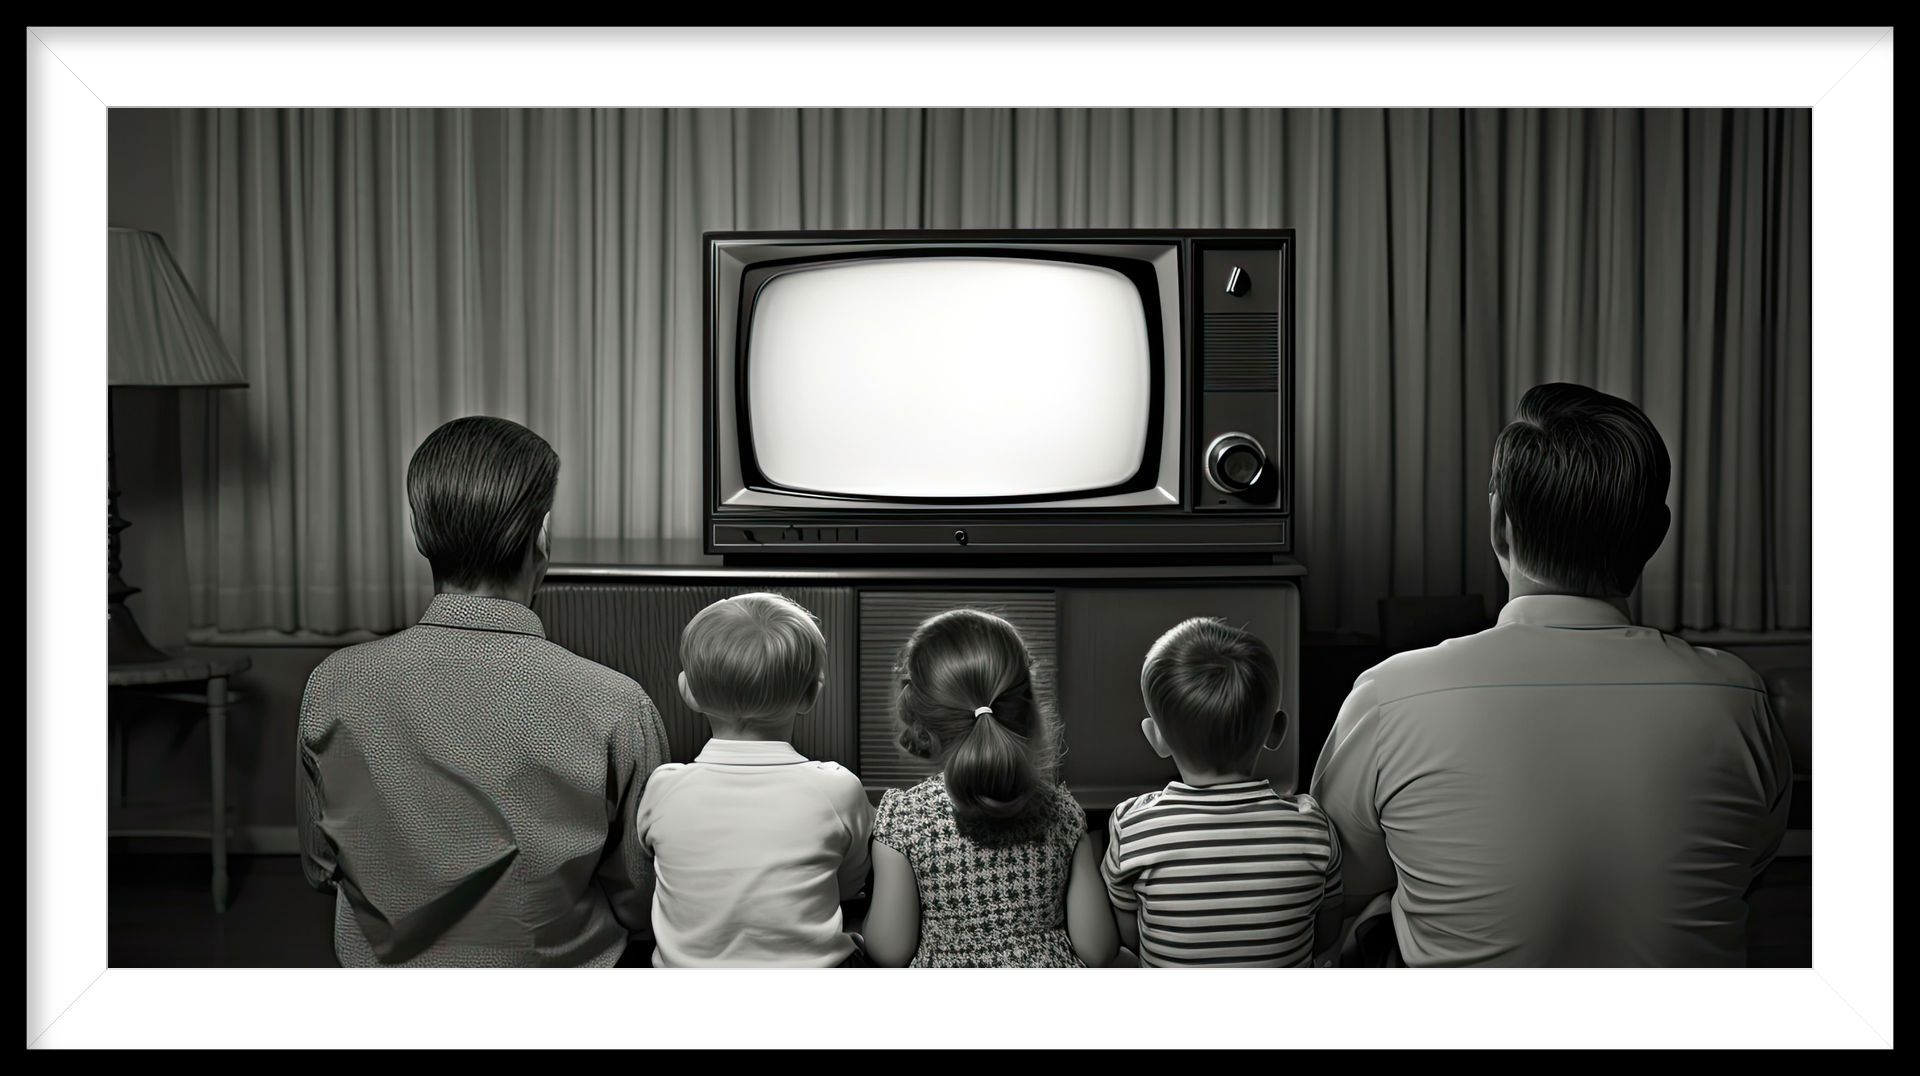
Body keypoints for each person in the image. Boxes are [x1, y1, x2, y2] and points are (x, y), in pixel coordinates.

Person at [1310, 382, 1793, 966]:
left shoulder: (1390, 697)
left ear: (1499, 524)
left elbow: (1336, 883)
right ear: (1656, 535)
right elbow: (1748, 868)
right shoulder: (1738, 700)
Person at [296, 416, 669, 967]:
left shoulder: (333, 684)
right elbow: (639, 902)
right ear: (542, 537)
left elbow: (319, 868)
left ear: (421, 534)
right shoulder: (615, 703)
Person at [861, 608, 1118, 968]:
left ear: (920, 717)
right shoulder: (1060, 811)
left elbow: (890, 950)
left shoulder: (905, 817)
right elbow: (1098, 949)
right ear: (1025, 708)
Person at [634, 592, 873, 967]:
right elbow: (850, 880)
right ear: (811, 696)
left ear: (689, 692)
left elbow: (656, 875)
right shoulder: (838, 788)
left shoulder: (663, 788)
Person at [1102, 617, 1343, 967]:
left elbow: (1131, 937)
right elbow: (1326, 935)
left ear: (1156, 738)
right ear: (1276, 731)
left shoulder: (1133, 826)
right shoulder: (1313, 827)